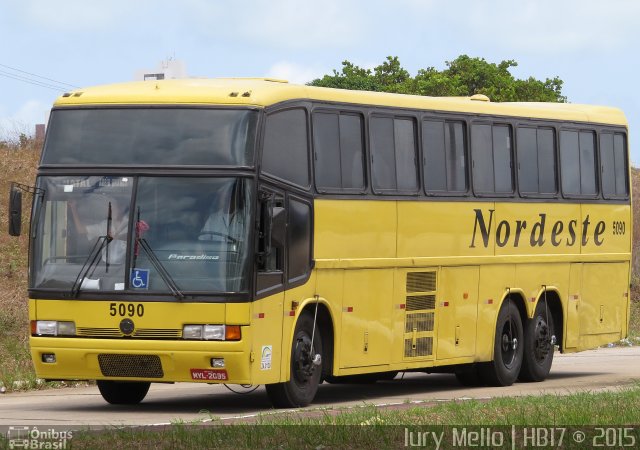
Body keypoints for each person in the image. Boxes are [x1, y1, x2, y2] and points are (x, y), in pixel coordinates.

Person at [69, 197, 129, 264]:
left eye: (114, 208)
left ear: (122, 209)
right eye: (109, 208)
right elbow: (81, 230)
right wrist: (73, 208)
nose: (111, 211)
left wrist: (118, 236)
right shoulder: (104, 226)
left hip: (125, 267)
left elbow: (133, 237)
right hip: (107, 267)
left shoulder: (130, 223)